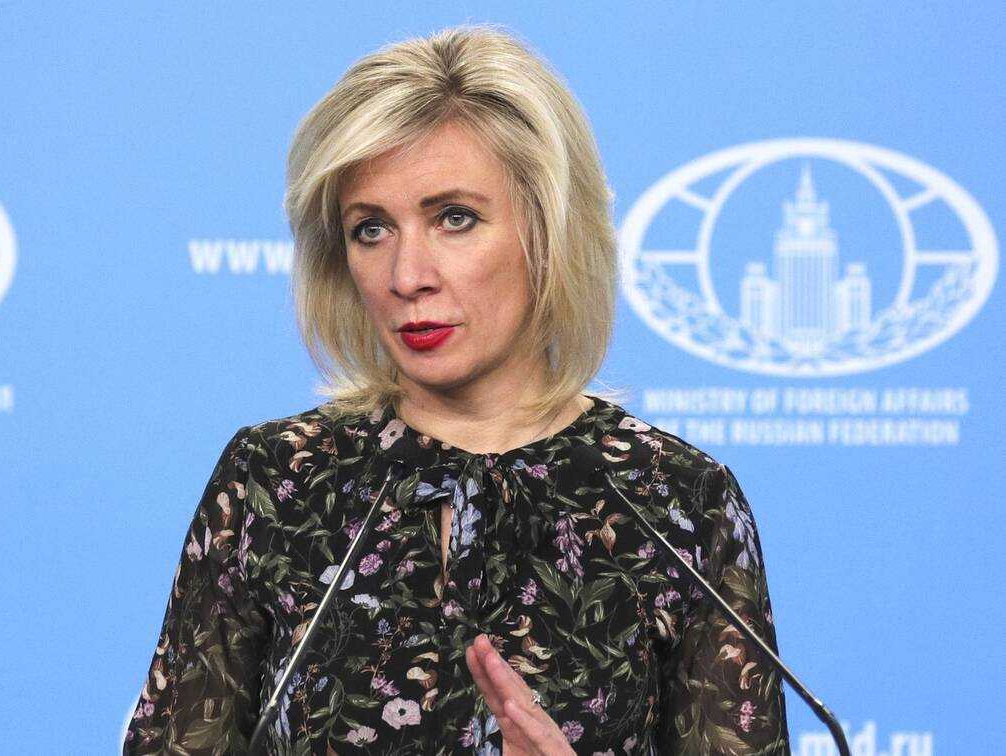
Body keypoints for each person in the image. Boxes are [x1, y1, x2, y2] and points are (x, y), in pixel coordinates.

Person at [125, 23, 789, 755]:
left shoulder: (675, 502)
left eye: (454, 219)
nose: (407, 275)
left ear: (549, 231)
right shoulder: (276, 481)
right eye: (370, 229)